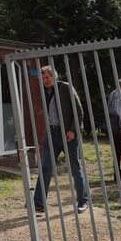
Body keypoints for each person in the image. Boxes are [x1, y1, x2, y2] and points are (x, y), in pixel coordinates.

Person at [33, 66, 89, 214]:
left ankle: (83, 200)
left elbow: (79, 110)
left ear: (54, 76)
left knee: (75, 168)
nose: (45, 80)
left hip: (68, 134)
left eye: (47, 77)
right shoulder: (46, 91)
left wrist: (73, 130)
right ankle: (38, 203)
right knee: (46, 167)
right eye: (43, 78)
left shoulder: (64, 87)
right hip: (52, 133)